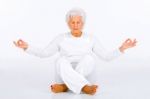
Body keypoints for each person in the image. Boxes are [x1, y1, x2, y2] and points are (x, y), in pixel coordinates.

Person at [13, 8, 137, 95]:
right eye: (73, 22)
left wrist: (122, 48)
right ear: (68, 23)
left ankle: (65, 86)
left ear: (83, 23)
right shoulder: (61, 38)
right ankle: (84, 87)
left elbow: (106, 56)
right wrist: (26, 47)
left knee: (89, 58)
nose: (75, 25)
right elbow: (45, 53)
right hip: (65, 70)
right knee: (61, 60)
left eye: (78, 22)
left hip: (85, 68)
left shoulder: (91, 38)